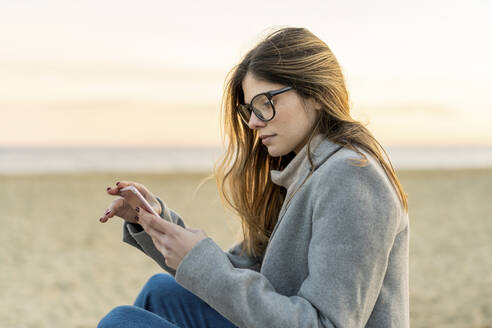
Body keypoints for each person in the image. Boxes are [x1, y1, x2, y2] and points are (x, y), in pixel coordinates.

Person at [97, 26, 410, 328]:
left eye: (265, 103)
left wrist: (199, 261)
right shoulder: (304, 172)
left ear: (316, 94)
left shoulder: (351, 177)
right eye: (250, 109)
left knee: (120, 322)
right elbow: (239, 272)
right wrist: (154, 221)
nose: (253, 122)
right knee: (160, 293)